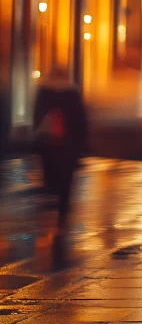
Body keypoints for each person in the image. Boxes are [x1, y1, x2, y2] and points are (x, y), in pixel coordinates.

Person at [32, 69, 88, 227]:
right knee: (67, 174)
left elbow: (37, 114)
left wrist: (37, 133)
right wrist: (81, 143)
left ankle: (52, 193)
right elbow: (80, 119)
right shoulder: (72, 92)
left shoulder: (44, 91)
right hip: (68, 140)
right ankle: (63, 204)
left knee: (50, 168)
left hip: (48, 139)